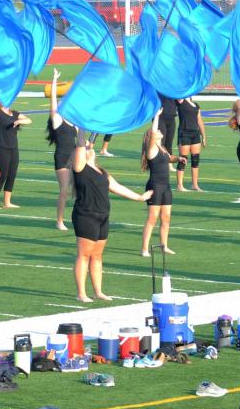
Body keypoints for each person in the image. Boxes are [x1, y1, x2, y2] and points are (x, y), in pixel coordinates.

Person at [71, 141, 152, 302]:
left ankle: (98, 291)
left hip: (103, 216)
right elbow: (80, 144)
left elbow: (118, 187)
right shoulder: (80, 169)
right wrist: (82, 132)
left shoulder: (102, 172)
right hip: (86, 215)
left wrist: (139, 197)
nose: (89, 148)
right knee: (84, 255)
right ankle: (81, 294)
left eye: (90, 146)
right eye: (86, 147)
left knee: (97, 255)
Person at [141, 113, 183, 257]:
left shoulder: (162, 148)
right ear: (151, 137)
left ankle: (164, 246)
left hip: (166, 187)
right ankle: (144, 249)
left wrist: (179, 158)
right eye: (156, 131)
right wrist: (157, 116)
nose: (159, 130)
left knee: (166, 218)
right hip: (155, 187)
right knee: (152, 218)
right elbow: (154, 131)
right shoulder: (152, 150)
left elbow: (170, 158)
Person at [0, 86, 31, 210]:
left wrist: (19, 121)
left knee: (12, 175)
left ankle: (7, 202)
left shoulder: (15, 113)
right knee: (2, 175)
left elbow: (29, 120)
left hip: (13, 148)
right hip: (0, 148)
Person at [47, 69, 79, 230]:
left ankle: (78, 217)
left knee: (79, 190)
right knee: (64, 191)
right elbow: (53, 100)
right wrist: (54, 80)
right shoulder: (57, 120)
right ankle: (59, 220)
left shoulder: (74, 122)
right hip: (62, 157)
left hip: (74, 157)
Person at [176, 96, 205, 191]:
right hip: (184, 132)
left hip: (195, 133)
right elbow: (177, 92)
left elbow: (199, 120)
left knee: (195, 160)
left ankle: (195, 185)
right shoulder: (181, 100)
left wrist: (203, 135)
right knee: (183, 159)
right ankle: (180, 185)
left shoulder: (196, 105)